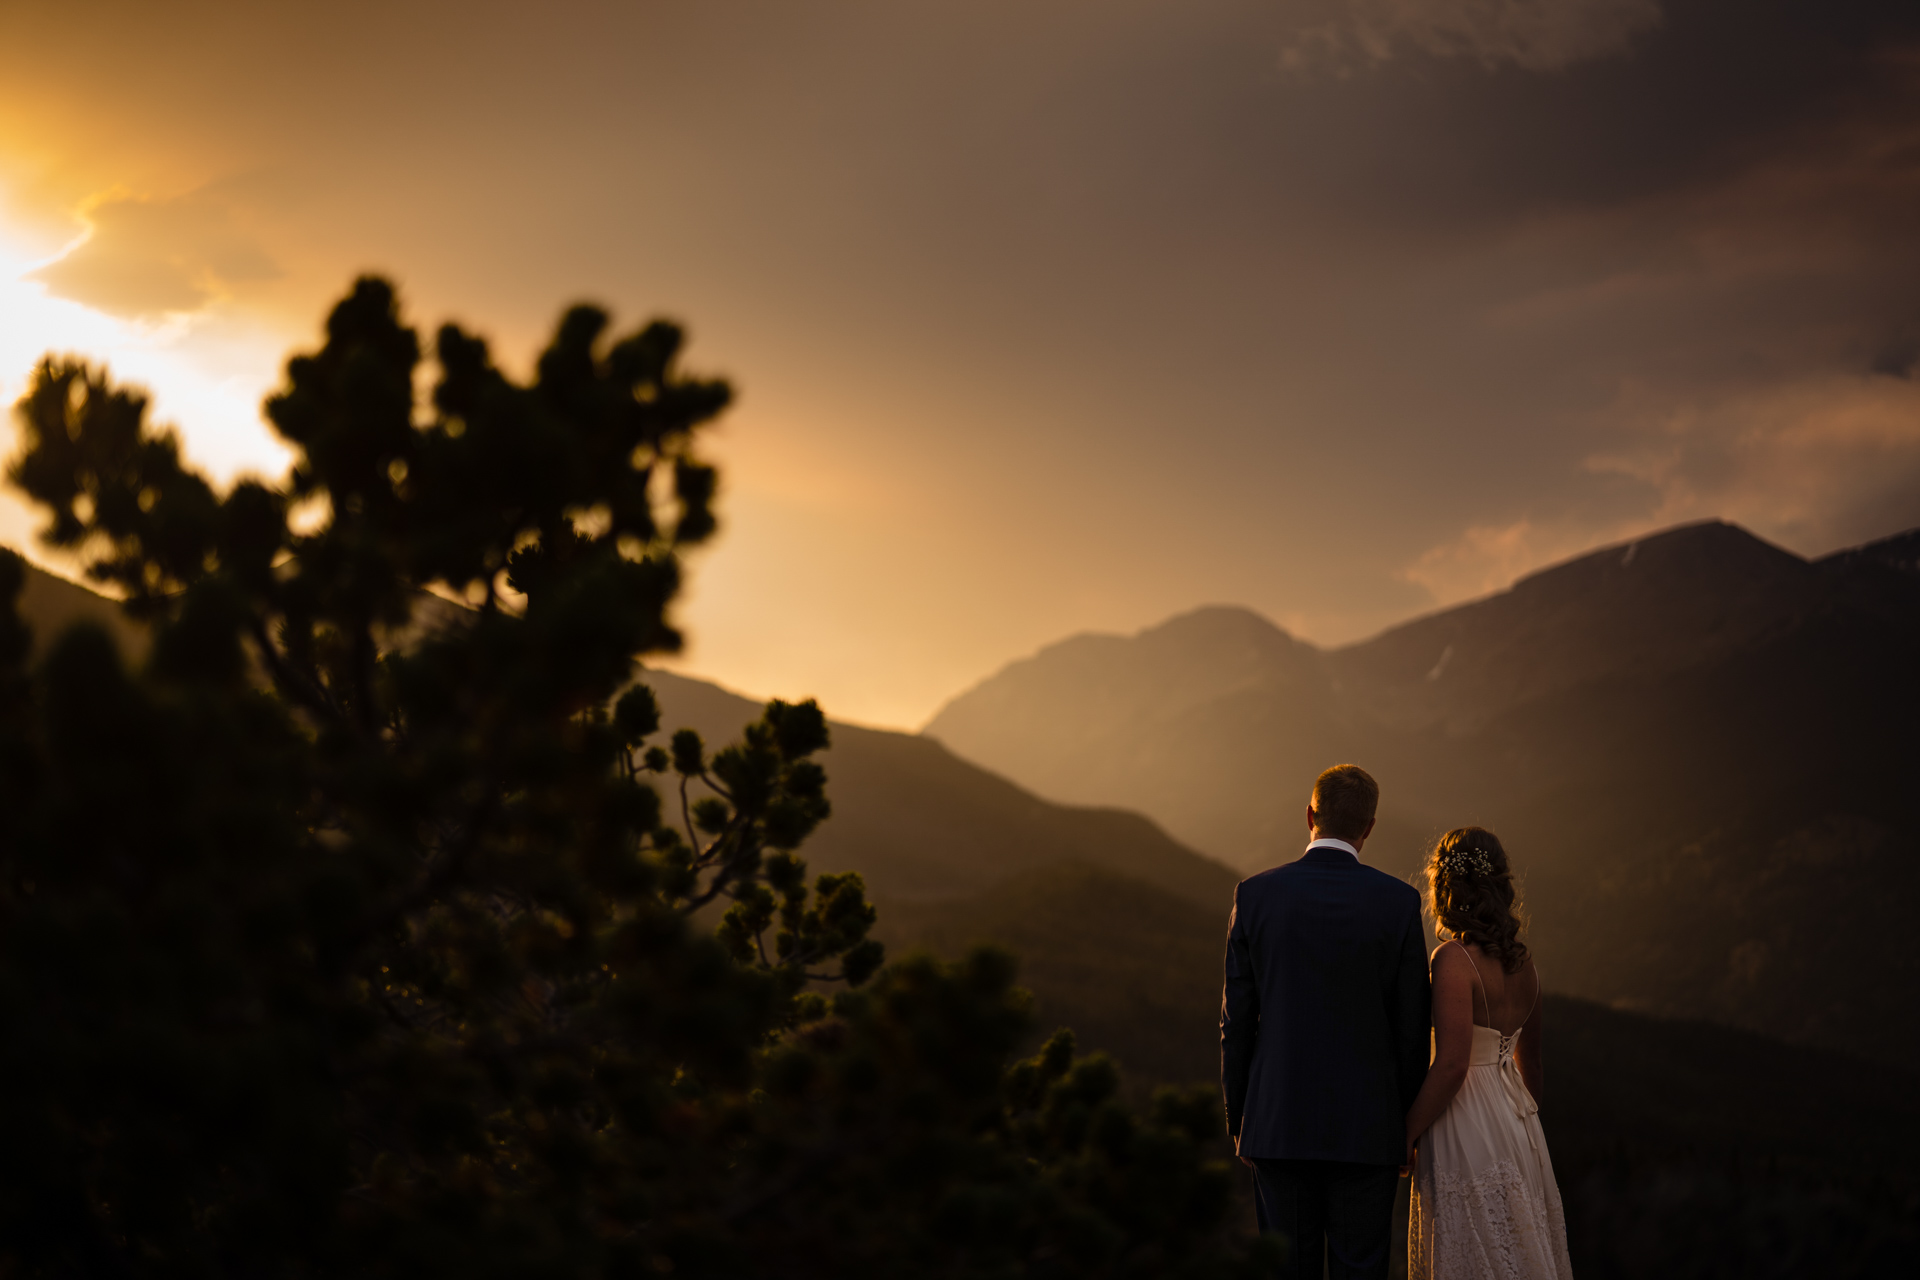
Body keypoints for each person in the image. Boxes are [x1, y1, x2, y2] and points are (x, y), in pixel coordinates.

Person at [1221, 764, 1431, 1279]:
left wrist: (1240, 1119)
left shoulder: (1255, 895)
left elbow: (1237, 1021)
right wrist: (1406, 1128)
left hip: (1278, 1123)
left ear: (1310, 815)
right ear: (1370, 827)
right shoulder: (1399, 903)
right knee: (1361, 1269)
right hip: (1368, 1130)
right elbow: (1411, 1027)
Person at [1403, 827, 1574, 1279]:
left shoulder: (1452, 959)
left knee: (1473, 1252)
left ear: (1445, 885)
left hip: (1465, 1122)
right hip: (1520, 1124)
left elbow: (1453, 1063)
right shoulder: (1525, 963)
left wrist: (1405, 1134)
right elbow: (1530, 1064)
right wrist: (1523, 1127)